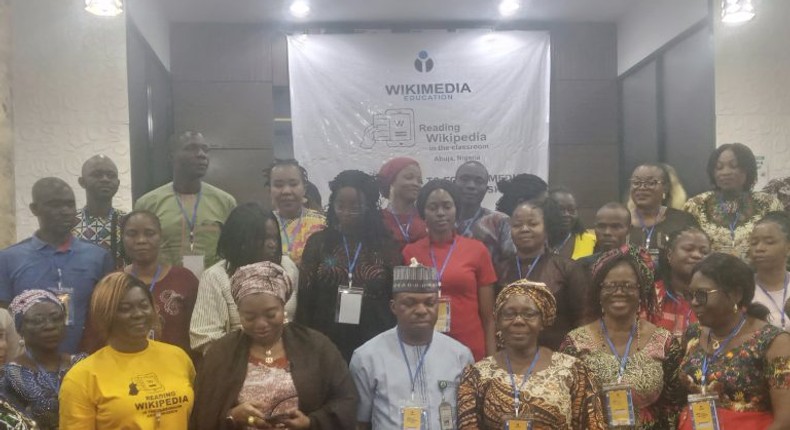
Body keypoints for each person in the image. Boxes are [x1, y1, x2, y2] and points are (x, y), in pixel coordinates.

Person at [191, 262, 358, 430]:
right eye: (249, 317)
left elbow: (345, 401)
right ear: (239, 314)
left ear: (283, 306)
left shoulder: (316, 347)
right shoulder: (222, 353)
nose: (261, 324)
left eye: (271, 314)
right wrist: (232, 416)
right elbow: (202, 413)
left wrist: (311, 422)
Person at [560, 245, 684, 429]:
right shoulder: (575, 343)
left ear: (641, 291)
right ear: (599, 292)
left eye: (627, 286)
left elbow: (672, 405)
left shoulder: (664, 342)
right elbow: (568, 406)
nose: (619, 292)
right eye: (610, 286)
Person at [457, 280, 606, 429]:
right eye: (509, 314)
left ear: (543, 321)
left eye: (529, 314)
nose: (518, 321)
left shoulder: (573, 370)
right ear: (498, 321)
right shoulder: (477, 375)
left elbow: (592, 424)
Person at [59, 273, 195, 429]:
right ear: (105, 314)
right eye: (125, 309)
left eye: (144, 305)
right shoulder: (81, 378)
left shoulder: (178, 358)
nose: (138, 314)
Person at [350, 263, 474, 430]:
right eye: (410, 303)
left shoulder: (460, 355)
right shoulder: (367, 357)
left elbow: (468, 421)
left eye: (430, 303)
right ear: (393, 307)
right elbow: (360, 421)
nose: (421, 310)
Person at [296, 170, 401, 362]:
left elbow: (396, 296)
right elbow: (305, 298)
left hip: (375, 339)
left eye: (355, 206)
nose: (346, 212)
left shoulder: (385, 245)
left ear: (369, 206)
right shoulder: (319, 243)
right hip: (326, 339)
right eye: (340, 205)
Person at [0, 177, 114, 353]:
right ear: (34, 209)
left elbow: (107, 315)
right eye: (55, 205)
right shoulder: (8, 259)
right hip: (28, 369)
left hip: (86, 364)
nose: (65, 211)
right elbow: (4, 321)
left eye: (70, 205)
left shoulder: (98, 257)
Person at [678, 253, 790, 429]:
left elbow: (785, 422)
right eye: (690, 294)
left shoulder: (775, 343)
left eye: (701, 294)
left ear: (736, 294)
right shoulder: (693, 334)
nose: (693, 302)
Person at [402, 179, 497, 361]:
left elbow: (489, 317)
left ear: (456, 210)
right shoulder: (410, 252)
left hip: (470, 347)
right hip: (424, 347)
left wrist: (491, 360)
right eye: (433, 207)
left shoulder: (477, 250)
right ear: (423, 212)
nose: (440, 213)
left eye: (447, 206)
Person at [190, 203, 298, 355]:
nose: (272, 244)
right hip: (236, 364)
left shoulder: (287, 267)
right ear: (241, 241)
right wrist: (255, 355)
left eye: (274, 237)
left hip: (287, 359)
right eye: (264, 238)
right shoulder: (215, 277)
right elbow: (204, 338)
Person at [134, 131, 237, 274]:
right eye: (191, 148)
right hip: (164, 289)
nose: (201, 154)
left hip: (212, 288)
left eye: (205, 150)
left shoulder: (225, 202)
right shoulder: (147, 204)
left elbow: (233, 252)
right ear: (171, 156)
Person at [495, 199, 590, 349]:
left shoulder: (567, 268)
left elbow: (583, 318)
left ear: (547, 228)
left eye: (533, 224)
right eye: (517, 225)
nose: (524, 229)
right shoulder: (500, 268)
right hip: (509, 358)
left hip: (557, 358)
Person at [683, 143, 783, 259]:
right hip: (710, 274)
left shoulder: (768, 204)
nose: (725, 172)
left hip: (758, 275)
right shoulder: (696, 204)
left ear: (747, 170)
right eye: (719, 167)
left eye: (733, 166)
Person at [120, 210, 198, 356]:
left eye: (149, 233)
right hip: (123, 371)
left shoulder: (185, 279)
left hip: (175, 370)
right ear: (122, 238)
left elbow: (198, 333)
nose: (141, 240)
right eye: (132, 234)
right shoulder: (113, 283)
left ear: (161, 238)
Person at [3, 290, 84, 429]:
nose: (50, 326)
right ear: (20, 328)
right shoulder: (10, 377)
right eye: (38, 320)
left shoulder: (82, 364)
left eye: (56, 318)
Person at [627, 163, 698, 266]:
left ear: (665, 188)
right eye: (636, 182)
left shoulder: (682, 221)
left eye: (651, 182)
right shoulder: (621, 221)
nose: (642, 187)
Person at [650, 226, 710, 337]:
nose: (697, 255)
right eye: (688, 249)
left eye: (704, 252)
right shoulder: (648, 297)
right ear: (669, 255)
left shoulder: (717, 299)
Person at [265, 159, 326, 266]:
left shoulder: (322, 224)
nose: (286, 191)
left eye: (293, 184)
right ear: (269, 190)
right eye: (278, 185)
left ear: (304, 189)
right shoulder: (261, 226)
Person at [454, 161, 514, 265]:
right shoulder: (441, 220)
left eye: (479, 181)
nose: (471, 186)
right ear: (454, 184)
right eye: (464, 179)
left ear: (486, 189)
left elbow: (511, 264)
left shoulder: (500, 221)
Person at [73, 155, 126, 268]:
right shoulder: (69, 222)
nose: (105, 179)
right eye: (97, 175)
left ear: (118, 183)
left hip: (119, 285)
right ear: (82, 182)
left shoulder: (128, 222)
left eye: (111, 175)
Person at [749, 211, 790, 330]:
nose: (759, 248)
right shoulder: (740, 290)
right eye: (754, 243)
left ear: (788, 247)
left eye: (769, 242)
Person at [378, 157, 427, 248]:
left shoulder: (426, 218)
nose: (416, 184)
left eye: (419, 181)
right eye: (409, 177)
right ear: (391, 181)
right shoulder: (377, 219)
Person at [577, 202, 632, 271]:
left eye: (615, 227)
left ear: (629, 229)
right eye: (601, 226)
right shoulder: (583, 265)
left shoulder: (642, 265)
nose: (607, 232)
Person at [549, 187, 596, 260]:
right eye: (560, 209)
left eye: (571, 210)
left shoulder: (592, 242)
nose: (567, 214)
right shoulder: (537, 242)